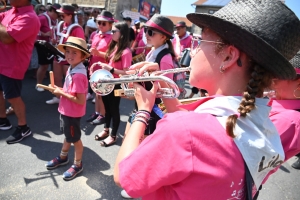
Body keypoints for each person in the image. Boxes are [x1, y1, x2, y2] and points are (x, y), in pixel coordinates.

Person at [113, 0, 300, 199]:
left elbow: (123, 176)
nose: (193, 52)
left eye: (200, 42)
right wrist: (166, 90)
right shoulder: (262, 123)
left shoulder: (184, 131)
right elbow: (203, 137)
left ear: (228, 57)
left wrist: (142, 110)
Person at [45, 36, 89, 180]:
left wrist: (61, 93)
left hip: (72, 113)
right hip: (66, 110)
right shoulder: (73, 68)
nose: (69, 55)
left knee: (75, 139)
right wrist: (58, 89)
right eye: (68, 51)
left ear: (83, 56)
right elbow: (70, 91)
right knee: (68, 136)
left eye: (74, 53)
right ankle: (63, 157)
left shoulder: (78, 75)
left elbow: (80, 100)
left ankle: (78, 164)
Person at [0, 0, 40, 144]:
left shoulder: (29, 17)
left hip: (13, 65)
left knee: (13, 98)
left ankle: (23, 127)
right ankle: (3, 120)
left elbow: (7, 38)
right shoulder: (12, 10)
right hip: (2, 62)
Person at [92, 22, 132, 147]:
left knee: (114, 110)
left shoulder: (126, 51)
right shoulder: (115, 47)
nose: (111, 33)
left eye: (114, 31)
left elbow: (127, 72)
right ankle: (106, 130)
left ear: (122, 34)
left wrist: (110, 69)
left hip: (116, 84)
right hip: (107, 82)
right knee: (107, 108)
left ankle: (113, 136)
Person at [46, 5, 85, 104]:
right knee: (56, 78)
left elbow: (80, 45)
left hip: (70, 58)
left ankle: (71, 99)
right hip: (57, 56)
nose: (60, 18)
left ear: (70, 16)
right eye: (60, 16)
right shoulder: (60, 25)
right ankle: (58, 98)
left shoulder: (77, 28)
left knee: (70, 81)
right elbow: (57, 40)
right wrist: (54, 41)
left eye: (62, 16)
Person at [87, 10, 114, 125]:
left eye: (104, 23)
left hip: (104, 70)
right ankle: (97, 112)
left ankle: (102, 115)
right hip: (93, 68)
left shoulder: (112, 38)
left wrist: (98, 53)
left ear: (110, 25)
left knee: (101, 95)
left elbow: (112, 55)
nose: (101, 25)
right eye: (99, 23)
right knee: (96, 93)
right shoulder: (95, 35)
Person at [35, 3, 61, 92]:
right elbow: (33, 29)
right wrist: (44, 34)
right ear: (52, 11)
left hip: (51, 44)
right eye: (58, 14)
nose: (60, 16)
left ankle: (52, 85)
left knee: (54, 65)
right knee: (44, 65)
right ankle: (39, 84)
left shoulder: (55, 20)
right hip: (42, 44)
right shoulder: (42, 18)